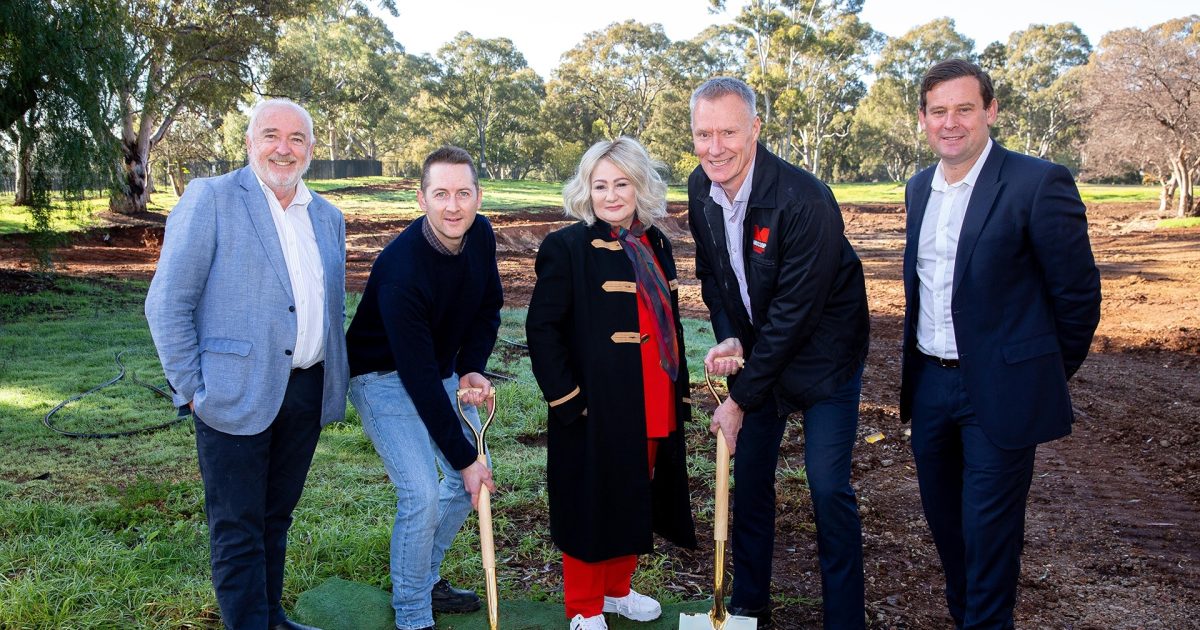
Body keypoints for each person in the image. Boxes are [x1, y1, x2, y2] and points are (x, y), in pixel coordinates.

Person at [901, 59, 1102, 629]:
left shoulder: (1038, 182)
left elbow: (1078, 295)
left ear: (990, 111)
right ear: (923, 119)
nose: (951, 122)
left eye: (965, 108)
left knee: (988, 538)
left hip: (1000, 392)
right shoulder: (919, 189)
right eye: (939, 111)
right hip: (931, 387)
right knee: (949, 534)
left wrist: (1037, 375)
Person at [145, 98, 346, 630]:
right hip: (230, 393)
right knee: (236, 526)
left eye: (297, 138)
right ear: (250, 142)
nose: (284, 148)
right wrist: (193, 389)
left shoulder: (328, 216)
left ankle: (270, 615)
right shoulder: (210, 198)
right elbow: (167, 302)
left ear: (310, 149)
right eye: (272, 135)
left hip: (305, 389)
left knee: (274, 518)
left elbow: (327, 306)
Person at [687, 77, 870, 629]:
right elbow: (715, 278)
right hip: (761, 356)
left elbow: (795, 318)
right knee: (752, 481)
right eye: (703, 134)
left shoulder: (803, 199)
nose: (714, 147)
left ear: (755, 131)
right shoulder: (702, 188)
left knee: (827, 485)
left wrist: (739, 399)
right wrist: (731, 336)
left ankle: (845, 619)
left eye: (727, 132)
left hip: (824, 362)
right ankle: (748, 604)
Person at [526, 137, 697, 630]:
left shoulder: (655, 242)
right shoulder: (567, 247)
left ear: (640, 186)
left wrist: (678, 389)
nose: (611, 195)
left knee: (632, 494)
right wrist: (567, 399)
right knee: (590, 499)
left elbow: (670, 323)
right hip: (594, 403)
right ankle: (584, 606)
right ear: (586, 190)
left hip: (651, 397)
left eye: (622, 183)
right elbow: (543, 329)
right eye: (599, 185)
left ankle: (617, 591)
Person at [344, 146, 501, 630]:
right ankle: (413, 614)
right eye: (440, 194)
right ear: (421, 198)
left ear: (477, 196)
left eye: (462, 193)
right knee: (422, 494)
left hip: (441, 368)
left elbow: (488, 307)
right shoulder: (400, 268)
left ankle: (422, 578)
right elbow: (415, 378)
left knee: (473, 479)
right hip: (380, 377)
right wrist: (462, 454)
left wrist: (473, 367)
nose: (452, 206)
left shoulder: (481, 235)